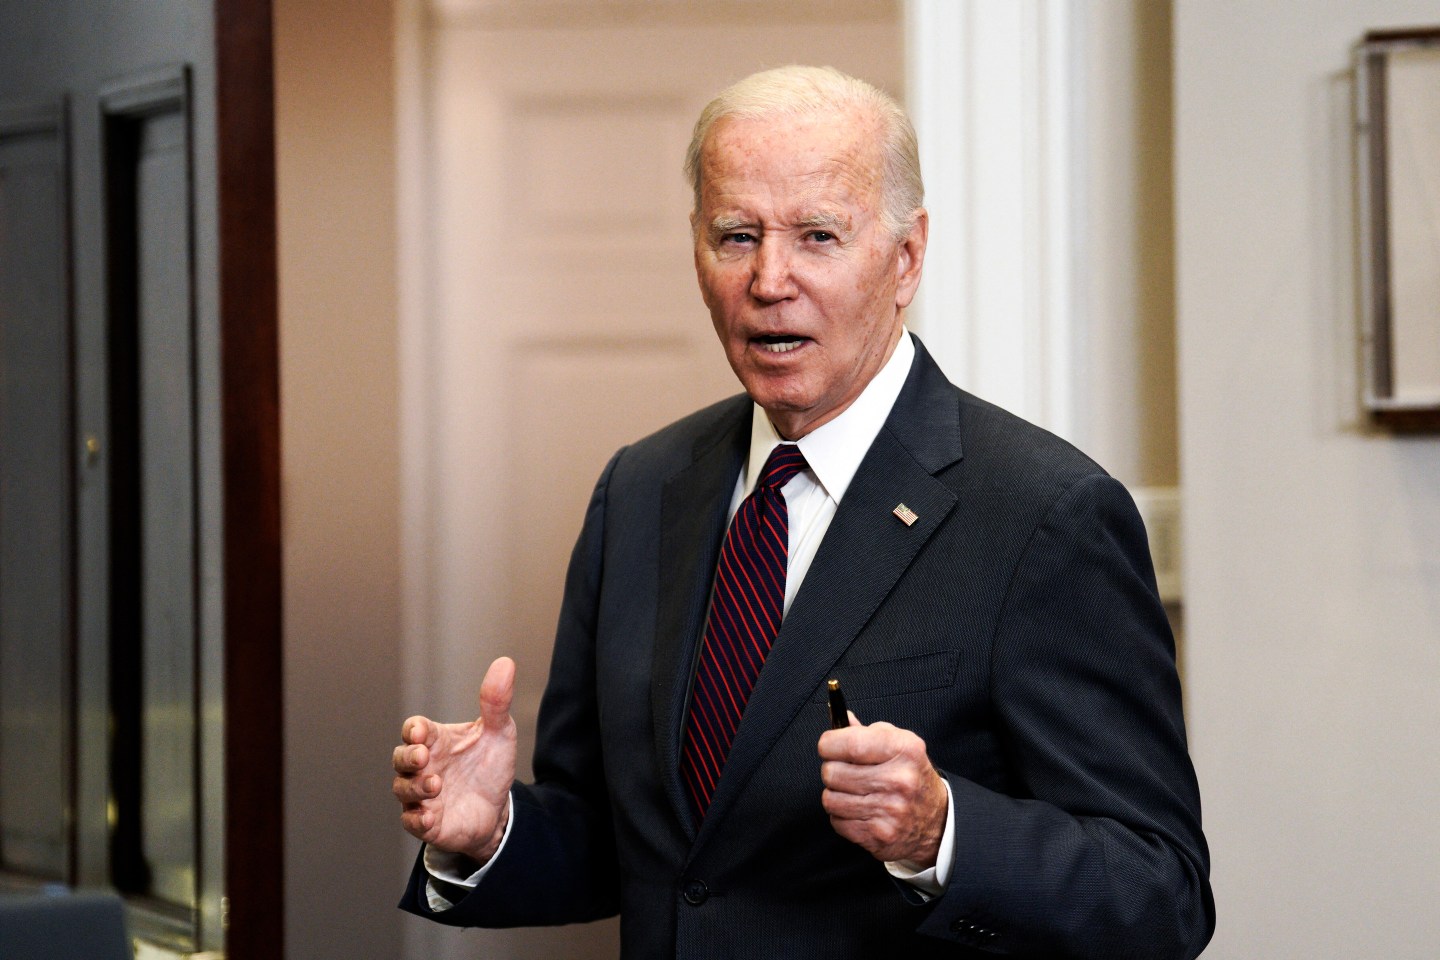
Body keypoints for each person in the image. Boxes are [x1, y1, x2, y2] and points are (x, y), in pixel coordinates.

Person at [392, 65, 1214, 959]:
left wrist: (942, 835)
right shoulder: (642, 489)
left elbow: (1159, 893)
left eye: (818, 236)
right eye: (735, 236)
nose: (769, 279)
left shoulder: (1044, 514)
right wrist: (488, 834)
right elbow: (639, 850)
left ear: (906, 259)